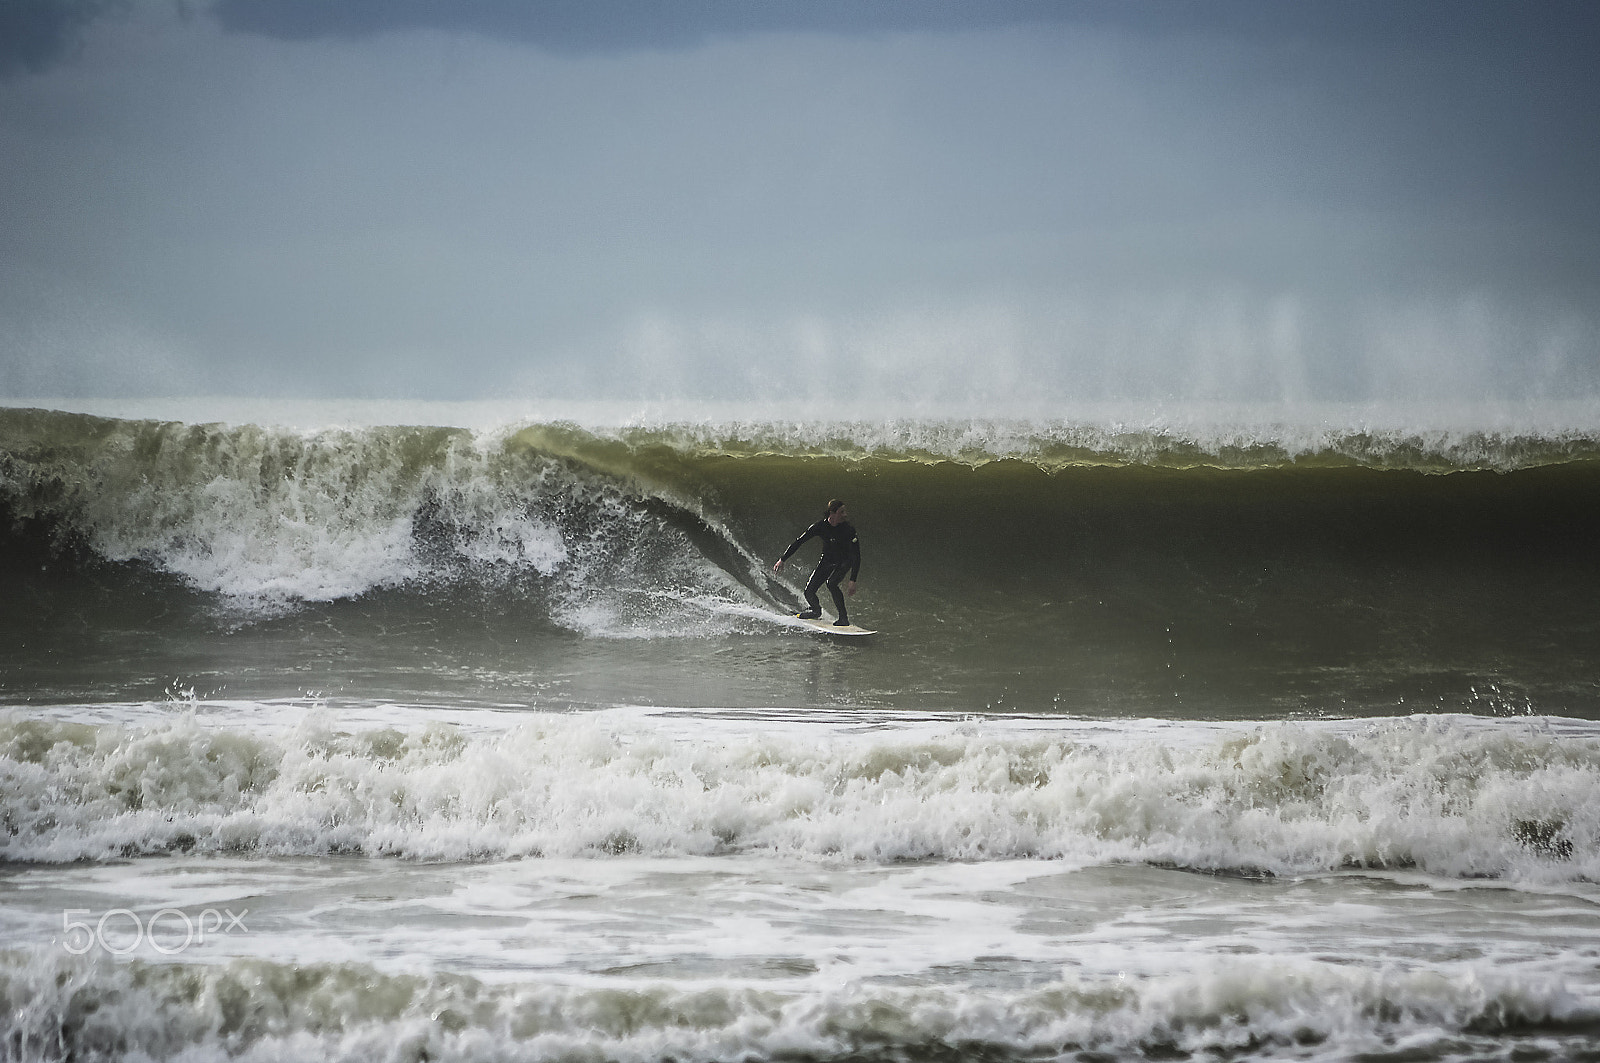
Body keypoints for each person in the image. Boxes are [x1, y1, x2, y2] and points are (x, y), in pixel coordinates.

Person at [773, 498, 861, 626]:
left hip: (844, 561)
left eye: (844, 511)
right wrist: (783, 559)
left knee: (831, 583)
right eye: (841, 512)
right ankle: (815, 611)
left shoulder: (848, 529)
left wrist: (853, 579)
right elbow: (799, 541)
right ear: (832, 512)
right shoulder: (820, 527)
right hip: (828, 560)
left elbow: (856, 555)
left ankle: (843, 618)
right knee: (809, 591)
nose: (845, 515)